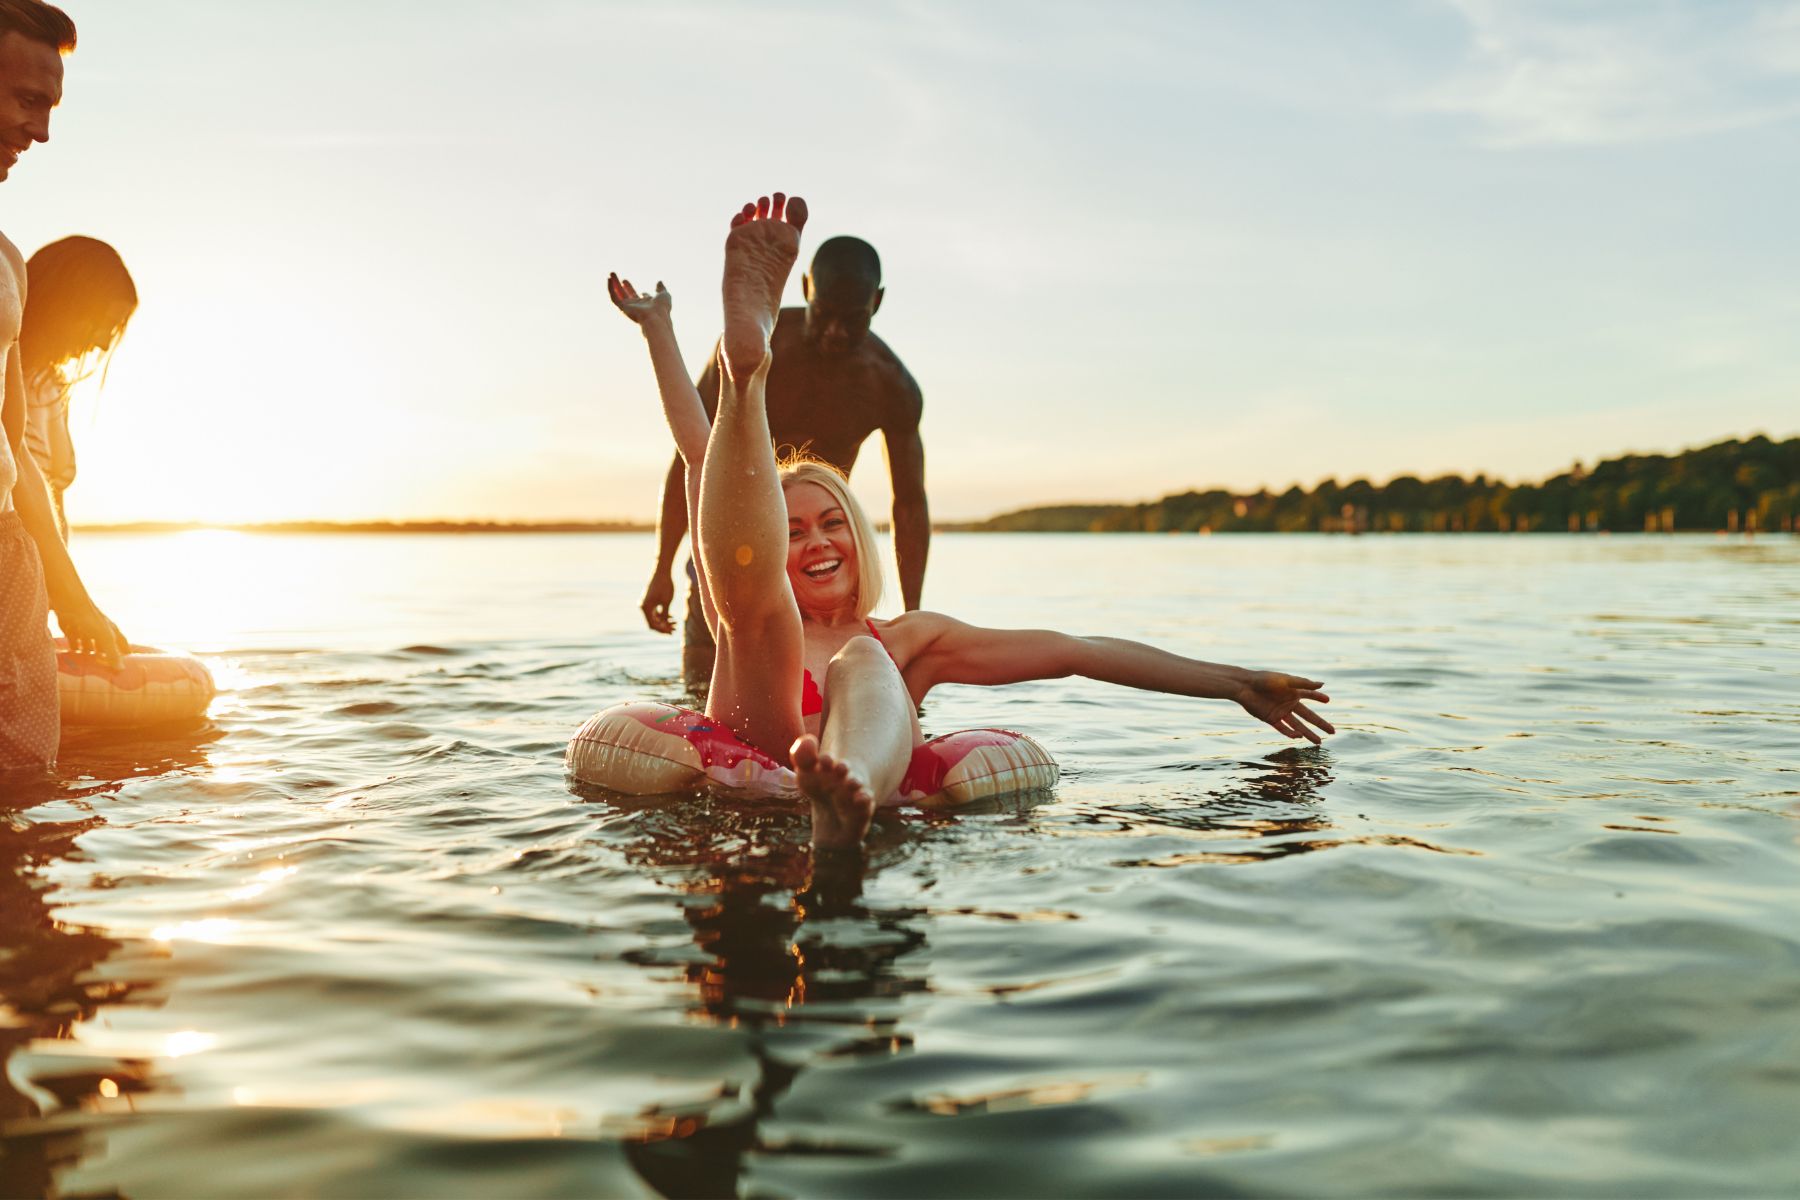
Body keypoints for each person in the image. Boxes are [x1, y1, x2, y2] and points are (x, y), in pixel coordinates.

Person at [607, 194, 1335, 850]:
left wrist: (1233, 682)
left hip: (846, 779)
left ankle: (845, 789)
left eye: (833, 523)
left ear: (861, 540)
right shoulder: (755, 618)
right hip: (759, 722)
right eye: (792, 531)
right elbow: (701, 457)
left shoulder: (909, 640)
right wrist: (660, 335)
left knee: (865, 659)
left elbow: (1075, 649)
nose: (818, 540)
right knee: (747, 590)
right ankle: (746, 373)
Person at [639, 232, 928, 690]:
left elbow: (909, 503)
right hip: (730, 540)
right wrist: (662, 569)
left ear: (877, 302)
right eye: (826, 315)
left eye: (853, 320)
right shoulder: (753, 350)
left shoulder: (890, 385)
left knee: (813, 689)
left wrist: (912, 620)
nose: (835, 333)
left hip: (812, 557)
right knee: (706, 687)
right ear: (807, 287)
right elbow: (691, 455)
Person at [0, 0, 126, 774]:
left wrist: (68, 597)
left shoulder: (8, 264)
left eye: (50, 106)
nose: (41, 131)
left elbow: (18, 452)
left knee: (23, 791)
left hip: (8, 562)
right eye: (24, 99)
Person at [20, 234, 136, 539]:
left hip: (43, 581)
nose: (103, 342)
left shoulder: (53, 388)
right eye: (103, 322)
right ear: (67, 300)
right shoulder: (7, 378)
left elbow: (53, 516)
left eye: (114, 329)